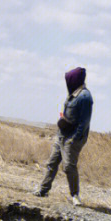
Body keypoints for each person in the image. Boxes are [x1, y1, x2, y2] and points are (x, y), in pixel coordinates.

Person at [35, 66, 93, 204]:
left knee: (68, 167)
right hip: (61, 135)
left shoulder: (85, 97)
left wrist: (74, 138)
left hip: (71, 138)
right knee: (52, 163)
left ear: (75, 80)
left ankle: (75, 196)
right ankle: (43, 190)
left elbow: (84, 122)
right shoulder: (73, 93)